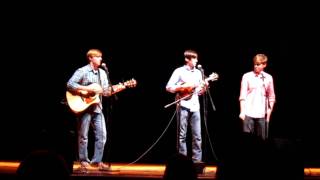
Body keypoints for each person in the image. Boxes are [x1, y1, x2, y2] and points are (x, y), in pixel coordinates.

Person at [66, 49, 118, 171]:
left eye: (101, 57)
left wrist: (120, 87)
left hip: (98, 108)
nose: (100, 59)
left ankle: (97, 161)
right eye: (98, 57)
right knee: (83, 136)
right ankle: (84, 162)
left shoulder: (103, 73)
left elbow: (105, 91)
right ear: (90, 58)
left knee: (102, 135)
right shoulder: (82, 71)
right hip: (84, 107)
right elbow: (70, 84)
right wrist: (88, 89)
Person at [166, 49, 208, 163]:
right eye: (194, 58)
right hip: (183, 105)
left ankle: (197, 162)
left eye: (196, 58)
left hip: (195, 106)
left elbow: (199, 92)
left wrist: (204, 87)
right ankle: (182, 162)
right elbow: (169, 87)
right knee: (182, 136)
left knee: (197, 136)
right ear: (187, 59)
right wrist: (182, 87)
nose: (196, 61)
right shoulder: (179, 71)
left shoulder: (199, 73)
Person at [239, 53, 276, 140]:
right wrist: (242, 111)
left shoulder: (268, 78)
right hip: (248, 114)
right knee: (247, 141)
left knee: (261, 142)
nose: (255, 66)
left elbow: (271, 97)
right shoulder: (247, 76)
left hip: (262, 115)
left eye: (258, 64)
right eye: (255, 64)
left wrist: (268, 116)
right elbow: (242, 95)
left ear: (264, 65)